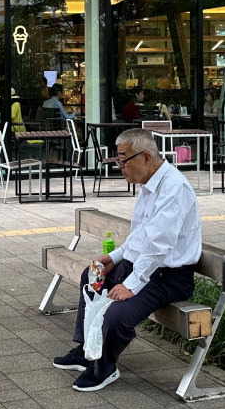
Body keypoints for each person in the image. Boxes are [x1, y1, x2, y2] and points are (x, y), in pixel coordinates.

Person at [52, 128, 202, 392]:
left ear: (145, 157)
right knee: (92, 276)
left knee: (117, 314)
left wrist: (132, 284)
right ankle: (87, 348)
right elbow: (141, 234)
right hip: (145, 267)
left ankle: (104, 368)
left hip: (167, 277)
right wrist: (114, 257)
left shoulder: (174, 188)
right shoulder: (149, 184)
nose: (119, 167)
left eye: (123, 159)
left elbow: (158, 246)